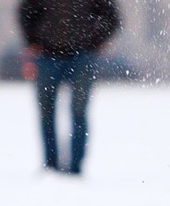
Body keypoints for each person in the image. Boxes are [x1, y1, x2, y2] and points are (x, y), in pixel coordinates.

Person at [19, 0, 121, 175]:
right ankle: (51, 165)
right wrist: (33, 40)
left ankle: (75, 166)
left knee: (79, 111)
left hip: (83, 55)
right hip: (47, 55)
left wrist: (96, 40)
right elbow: (26, 12)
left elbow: (111, 17)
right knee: (47, 112)